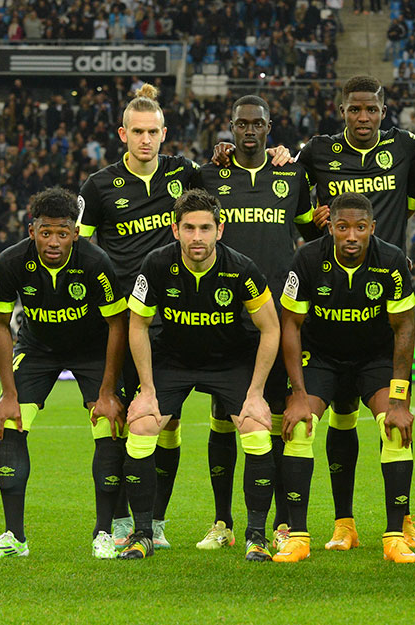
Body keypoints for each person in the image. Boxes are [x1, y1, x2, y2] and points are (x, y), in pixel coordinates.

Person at [78, 83, 289, 549]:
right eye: (137, 131)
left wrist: (272, 153)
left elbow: (228, 177)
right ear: (123, 134)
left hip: (186, 320)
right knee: (130, 421)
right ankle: (118, 525)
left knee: (180, 424)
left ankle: (165, 525)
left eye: (153, 131)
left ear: (164, 133)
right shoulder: (99, 186)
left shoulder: (186, 173)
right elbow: (81, 249)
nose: (146, 139)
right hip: (133, 320)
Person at [121, 189, 280, 561]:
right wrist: (147, 390)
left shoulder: (241, 268)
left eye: (205, 228)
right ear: (175, 230)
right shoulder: (156, 264)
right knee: (142, 426)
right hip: (174, 360)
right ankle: (143, 534)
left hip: (229, 361)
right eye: (189, 228)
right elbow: (138, 325)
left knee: (257, 428)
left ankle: (256, 537)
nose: (197, 237)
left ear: (219, 230)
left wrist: (256, 393)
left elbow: (271, 328)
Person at [196, 95, 322, 550]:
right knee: (223, 418)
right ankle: (223, 523)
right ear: (230, 128)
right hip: (224, 319)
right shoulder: (209, 176)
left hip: (279, 317)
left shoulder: (292, 174)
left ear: (270, 128)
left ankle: (283, 524)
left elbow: (309, 234)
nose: (249, 130)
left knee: (280, 419)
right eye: (241, 124)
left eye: (257, 124)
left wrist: (324, 221)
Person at [0, 187, 128, 559]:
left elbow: (117, 324)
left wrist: (108, 391)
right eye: (46, 232)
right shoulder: (11, 262)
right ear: (32, 231)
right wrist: (8, 394)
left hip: (92, 349)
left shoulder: (96, 262)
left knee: (108, 424)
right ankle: (14, 538)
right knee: (10, 423)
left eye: (63, 233)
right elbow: (0, 324)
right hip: (37, 347)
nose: (54, 241)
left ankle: (104, 533)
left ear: (76, 233)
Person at [275, 192, 415, 563]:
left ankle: (395, 536)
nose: (351, 236)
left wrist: (399, 399)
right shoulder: (307, 259)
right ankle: (301, 537)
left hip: (375, 358)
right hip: (322, 357)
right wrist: (298, 393)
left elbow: (405, 328)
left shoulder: (391, 260)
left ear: (372, 228)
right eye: (342, 227)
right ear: (330, 228)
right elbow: (290, 325)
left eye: (359, 227)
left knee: (394, 427)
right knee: (301, 425)